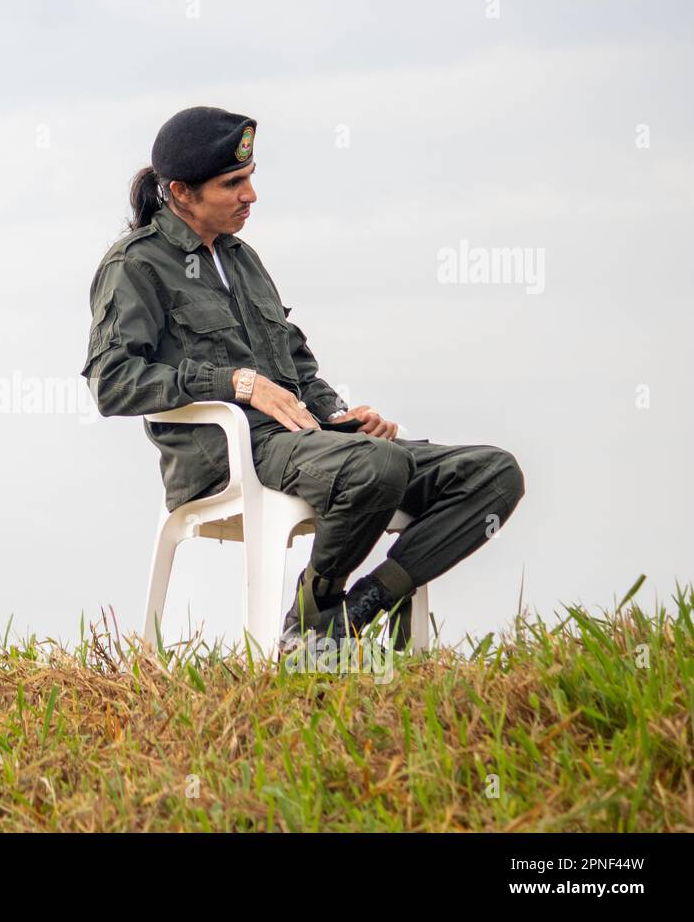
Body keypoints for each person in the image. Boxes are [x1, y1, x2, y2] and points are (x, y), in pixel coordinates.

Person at [81, 106, 526, 651]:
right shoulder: (135, 265)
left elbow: (296, 364)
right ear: (181, 192)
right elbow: (112, 380)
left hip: (306, 442)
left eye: (250, 177)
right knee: (378, 468)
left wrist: (341, 416)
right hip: (230, 453)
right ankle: (318, 607)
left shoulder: (244, 260)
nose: (251, 195)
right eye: (233, 183)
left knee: (492, 474)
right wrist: (234, 383)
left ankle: (351, 611)